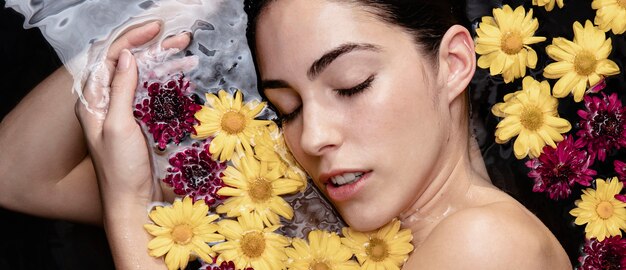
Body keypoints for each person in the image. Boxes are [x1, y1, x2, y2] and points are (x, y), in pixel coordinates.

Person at [0, 0, 572, 269]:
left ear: (451, 63)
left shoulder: (486, 246)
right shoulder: (297, 208)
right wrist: (165, 20)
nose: (314, 136)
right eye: (287, 107)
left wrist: (129, 211)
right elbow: (18, 173)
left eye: (351, 85)